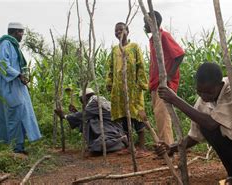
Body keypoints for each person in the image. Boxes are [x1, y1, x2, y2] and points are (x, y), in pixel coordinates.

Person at [156, 62, 232, 184]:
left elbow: (212, 123)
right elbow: (194, 136)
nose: (204, 96)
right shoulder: (202, 103)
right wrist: (172, 148)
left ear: (220, 85)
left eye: (209, 92)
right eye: (200, 92)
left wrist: (175, 100)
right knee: (204, 125)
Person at [0, 22, 41, 154]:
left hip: (16, 86)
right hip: (9, 87)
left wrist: (21, 76)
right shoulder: (5, 44)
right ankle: (15, 149)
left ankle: (19, 146)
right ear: (15, 32)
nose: (22, 36)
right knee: (14, 116)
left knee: (22, 114)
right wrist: (18, 75)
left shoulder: (12, 45)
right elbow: (2, 65)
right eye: (21, 33)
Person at [144, 11, 185, 146]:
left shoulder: (163, 36)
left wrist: (169, 77)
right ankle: (165, 148)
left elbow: (179, 54)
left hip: (163, 84)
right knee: (159, 116)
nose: (144, 25)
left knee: (163, 116)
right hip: (156, 84)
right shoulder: (154, 39)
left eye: (146, 22)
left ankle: (168, 148)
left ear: (153, 23)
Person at [106, 22, 148, 150]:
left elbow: (140, 65)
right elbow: (110, 68)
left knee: (138, 115)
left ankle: (141, 146)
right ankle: (130, 146)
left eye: (121, 29)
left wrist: (141, 84)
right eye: (116, 30)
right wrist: (109, 82)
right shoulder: (114, 50)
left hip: (133, 89)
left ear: (127, 31)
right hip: (119, 90)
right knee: (124, 116)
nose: (118, 32)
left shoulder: (134, 47)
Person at [54, 88, 127, 154]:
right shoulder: (98, 99)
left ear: (84, 97)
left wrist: (65, 116)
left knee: (97, 146)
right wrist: (75, 113)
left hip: (112, 130)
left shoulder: (94, 102)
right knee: (89, 125)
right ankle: (117, 141)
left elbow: (84, 115)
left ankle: (120, 141)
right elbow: (86, 115)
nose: (81, 102)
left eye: (81, 100)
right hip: (111, 128)